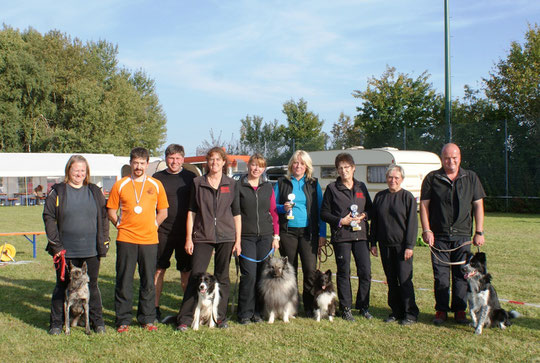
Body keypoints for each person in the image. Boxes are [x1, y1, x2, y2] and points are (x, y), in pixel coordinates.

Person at [176, 147, 241, 331]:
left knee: (222, 278)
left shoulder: (231, 184)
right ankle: (185, 319)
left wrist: (238, 241)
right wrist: (189, 238)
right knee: (196, 277)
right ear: (207, 162)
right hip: (202, 236)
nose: (214, 163)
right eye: (211, 160)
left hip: (226, 236)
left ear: (223, 163)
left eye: (218, 160)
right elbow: (191, 212)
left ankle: (219, 317)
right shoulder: (198, 183)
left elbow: (236, 214)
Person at [420, 143, 486, 325]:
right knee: (440, 275)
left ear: (460, 158)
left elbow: (478, 205)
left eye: (454, 157)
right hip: (438, 236)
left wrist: (479, 231)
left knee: (461, 275)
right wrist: (426, 229)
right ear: (442, 159)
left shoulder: (471, 177)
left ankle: (459, 310)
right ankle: (441, 310)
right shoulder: (432, 178)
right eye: (447, 158)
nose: (451, 161)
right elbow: (424, 206)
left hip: (463, 236)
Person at [43, 155, 109, 335]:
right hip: (66, 250)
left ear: (87, 172)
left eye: (82, 170)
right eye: (76, 170)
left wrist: (105, 241)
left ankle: (98, 322)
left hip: (91, 249)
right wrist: (55, 245)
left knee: (92, 285)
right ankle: (56, 324)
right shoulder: (58, 191)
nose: (79, 174)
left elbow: (104, 217)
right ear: (68, 171)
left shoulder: (94, 191)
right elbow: (48, 216)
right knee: (62, 285)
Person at [107, 147, 169, 333]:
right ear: (130, 164)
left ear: (147, 164)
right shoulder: (121, 184)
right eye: (135, 163)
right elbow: (111, 210)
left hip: (149, 240)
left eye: (142, 163)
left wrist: (154, 225)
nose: (139, 166)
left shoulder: (156, 184)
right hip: (126, 238)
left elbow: (164, 211)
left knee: (148, 280)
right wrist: (119, 224)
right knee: (124, 279)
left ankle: (147, 318)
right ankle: (123, 320)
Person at [320, 152, 373, 321]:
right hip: (341, 236)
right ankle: (346, 308)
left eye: (347, 167)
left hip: (361, 236)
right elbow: (324, 213)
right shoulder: (332, 188)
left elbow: (371, 210)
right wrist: (340, 221)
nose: (344, 171)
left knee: (365, 272)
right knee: (344, 272)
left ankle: (363, 306)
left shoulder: (361, 187)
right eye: (340, 168)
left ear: (353, 168)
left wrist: (363, 215)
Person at [274, 150, 326, 317]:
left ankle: (310, 307)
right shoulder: (282, 182)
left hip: (308, 233)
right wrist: (283, 207)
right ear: (291, 165)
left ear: (306, 166)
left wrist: (322, 234)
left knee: (310, 271)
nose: (298, 166)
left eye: (302, 163)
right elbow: (273, 207)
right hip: (287, 232)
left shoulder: (313, 183)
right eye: (296, 163)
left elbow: (320, 210)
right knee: (290, 271)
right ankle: (292, 306)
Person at [370, 164, 419, 325]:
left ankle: (410, 313)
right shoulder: (380, 197)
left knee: (404, 280)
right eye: (390, 177)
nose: (393, 180)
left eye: (396, 178)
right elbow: (375, 222)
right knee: (391, 280)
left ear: (402, 179)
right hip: (385, 246)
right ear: (386, 179)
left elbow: (412, 224)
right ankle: (396, 311)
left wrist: (409, 246)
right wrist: (373, 242)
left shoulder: (407, 197)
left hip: (402, 247)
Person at [152, 144, 196, 322]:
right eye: (171, 158)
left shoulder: (191, 178)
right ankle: (154, 308)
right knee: (158, 270)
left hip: (185, 232)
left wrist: (191, 235)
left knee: (186, 272)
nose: (174, 162)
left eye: (178, 158)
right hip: (162, 231)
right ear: (166, 159)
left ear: (183, 160)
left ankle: (187, 311)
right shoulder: (157, 178)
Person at [236, 153, 280, 324]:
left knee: (263, 276)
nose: (256, 169)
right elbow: (235, 213)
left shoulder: (268, 187)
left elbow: (274, 213)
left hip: (265, 237)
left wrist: (276, 236)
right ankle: (244, 313)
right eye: (254, 165)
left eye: (260, 166)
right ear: (249, 166)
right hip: (246, 237)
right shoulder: (238, 186)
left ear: (263, 169)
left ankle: (258, 312)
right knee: (249, 276)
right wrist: (237, 239)